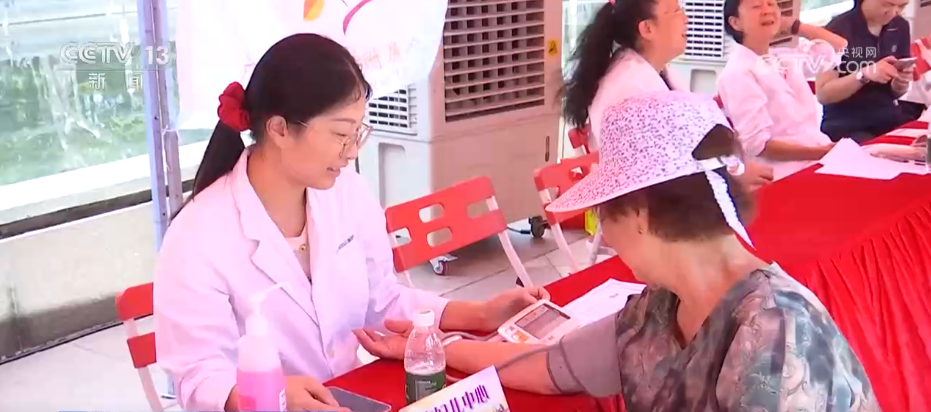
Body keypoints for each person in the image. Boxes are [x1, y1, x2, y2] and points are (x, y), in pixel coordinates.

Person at [356, 91, 880, 411]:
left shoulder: (774, 332)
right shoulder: (663, 306)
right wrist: (432, 348)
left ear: (641, 215)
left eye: (604, 211)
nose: (603, 231)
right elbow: (548, 365)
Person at [153, 33, 548, 412]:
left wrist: (478, 315)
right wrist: (269, 394)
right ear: (279, 129)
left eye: (358, 132)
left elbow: (383, 301)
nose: (352, 151)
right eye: (341, 134)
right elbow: (198, 375)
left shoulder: (346, 192)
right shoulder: (197, 236)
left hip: (350, 396)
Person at [563, 0, 774, 190]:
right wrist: (732, 175)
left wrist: (732, 168)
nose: (686, 18)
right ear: (647, 29)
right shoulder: (630, 86)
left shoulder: (653, 70)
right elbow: (667, 166)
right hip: (647, 206)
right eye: (675, 11)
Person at [719, 0, 847, 180]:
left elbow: (838, 46)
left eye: (771, 4)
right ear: (735, 22)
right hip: (784, 172)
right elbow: (758, 146)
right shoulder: (738, 72)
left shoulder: (783, 58)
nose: (767, 10)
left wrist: (795, 26)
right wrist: (820, 153)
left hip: (819, 157)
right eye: (756, 6)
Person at [816, 0, 913, 142]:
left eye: (901, 6)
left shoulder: (900, 26)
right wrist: (863, 75)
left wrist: (900, 84)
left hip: (888, 117)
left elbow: (896, 93)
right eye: (887, 4)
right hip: (846, 124)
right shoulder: (836, 31)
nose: (894, 13)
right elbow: (823, 94)